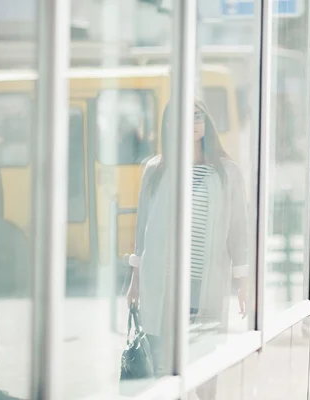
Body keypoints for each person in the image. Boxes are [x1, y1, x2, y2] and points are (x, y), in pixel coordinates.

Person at [126, 99, 249, 397]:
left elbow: (239, 230)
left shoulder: (226, 171)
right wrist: (135, 282)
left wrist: (245, 283)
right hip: (163, 290)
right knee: (166, 373)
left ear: (206, 123)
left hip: (203, 288)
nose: (192, 123)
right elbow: (142, 230)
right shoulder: (156, 169)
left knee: (205, 369)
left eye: (198, 116)